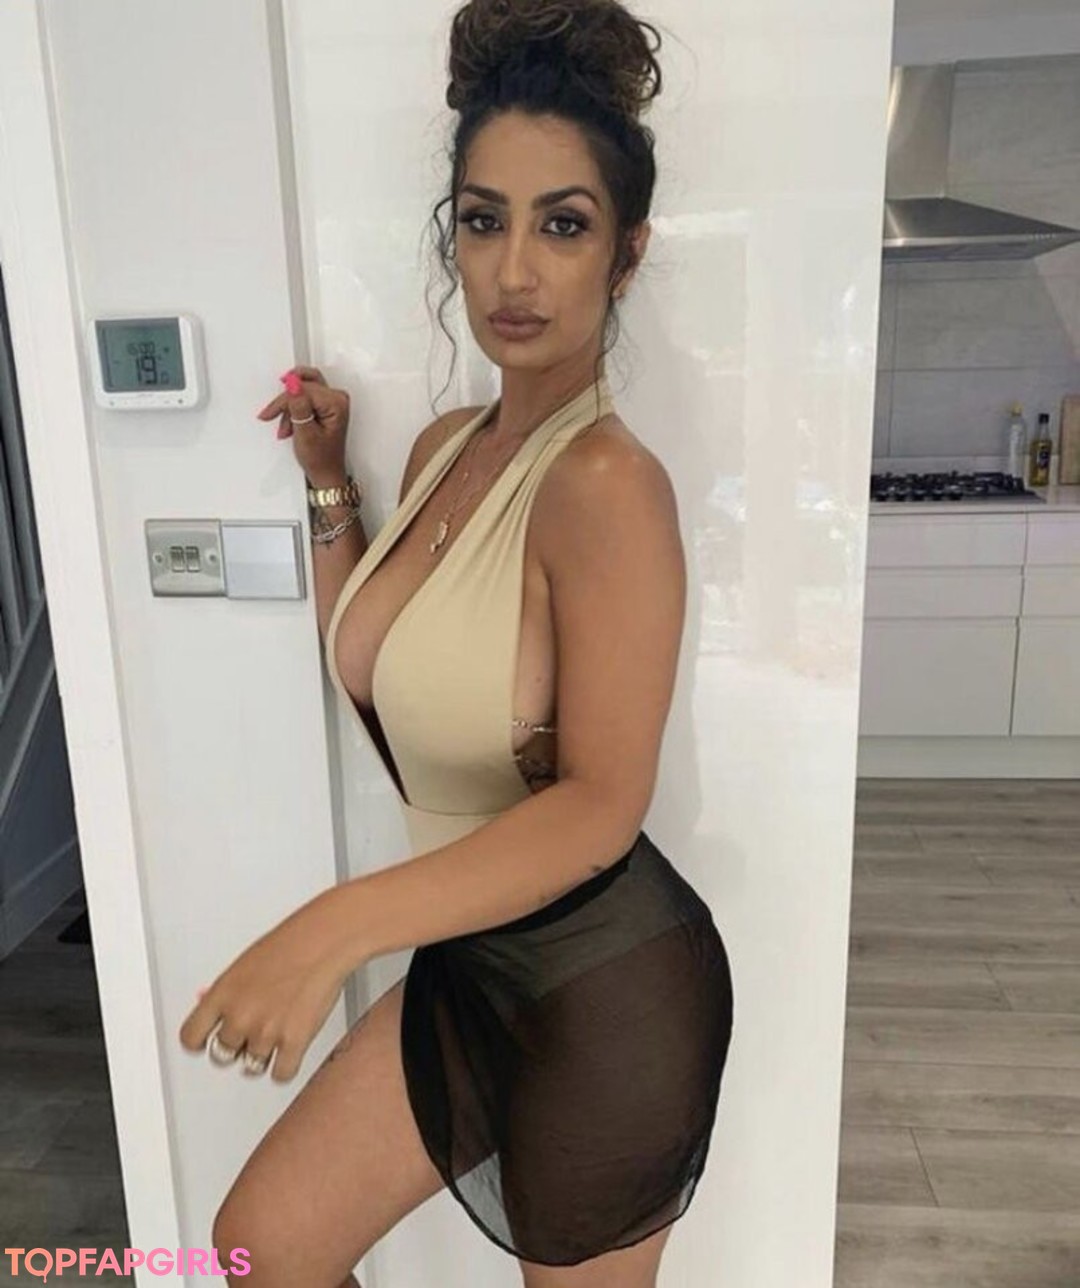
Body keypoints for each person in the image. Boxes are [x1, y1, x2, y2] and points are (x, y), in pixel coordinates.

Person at [179, 2, 734, 1285]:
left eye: (564, 225)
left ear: (627, 255)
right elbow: (379, 659)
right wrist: (330, 482)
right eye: (485, 221)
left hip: (605, 987)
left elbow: (602, 802)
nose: (515, 272)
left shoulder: (607, 487)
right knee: (262, 1251)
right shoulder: (446, 449)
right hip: (473, 958)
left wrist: (327, 931)